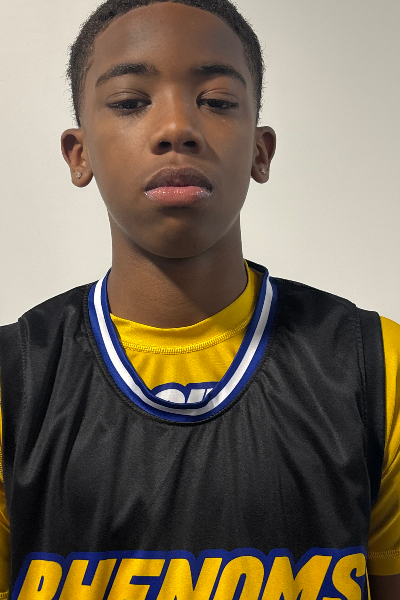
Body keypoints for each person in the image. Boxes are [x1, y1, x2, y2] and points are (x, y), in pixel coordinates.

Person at [0, 0, 399, 598]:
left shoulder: (378, 368)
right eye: (130, 102)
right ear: (79, 154)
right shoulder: (15, 381)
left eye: (215, 101)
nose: (176, 128)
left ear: (261, 151)